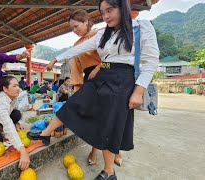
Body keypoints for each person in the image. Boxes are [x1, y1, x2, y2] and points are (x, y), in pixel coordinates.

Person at [28, 0, 159, 179]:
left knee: (109, 125)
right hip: (101, 77)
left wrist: (138, 91)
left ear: (123, 6)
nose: (105, 16)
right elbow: (79, 49)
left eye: (109, 10)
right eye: (102, 13)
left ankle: (109, 172)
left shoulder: (141, 27)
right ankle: (45, 134)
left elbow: (151, 61)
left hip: (122, 80)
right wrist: (56, 58)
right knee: (73, 104)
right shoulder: (103, 33)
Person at [69, 9, 123, 166]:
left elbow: (115, 53)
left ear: (86, 21)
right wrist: (77, 92)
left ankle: (116, 149)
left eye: (76, 26)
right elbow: (76, 70)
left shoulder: (101, 33)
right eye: (71, 28)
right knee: (95, 117)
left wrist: (99, 67)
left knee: (112, 115)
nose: (74, 31)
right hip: (90, 80)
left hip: (109, 74)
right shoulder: (76, 45)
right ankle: (95, 150)